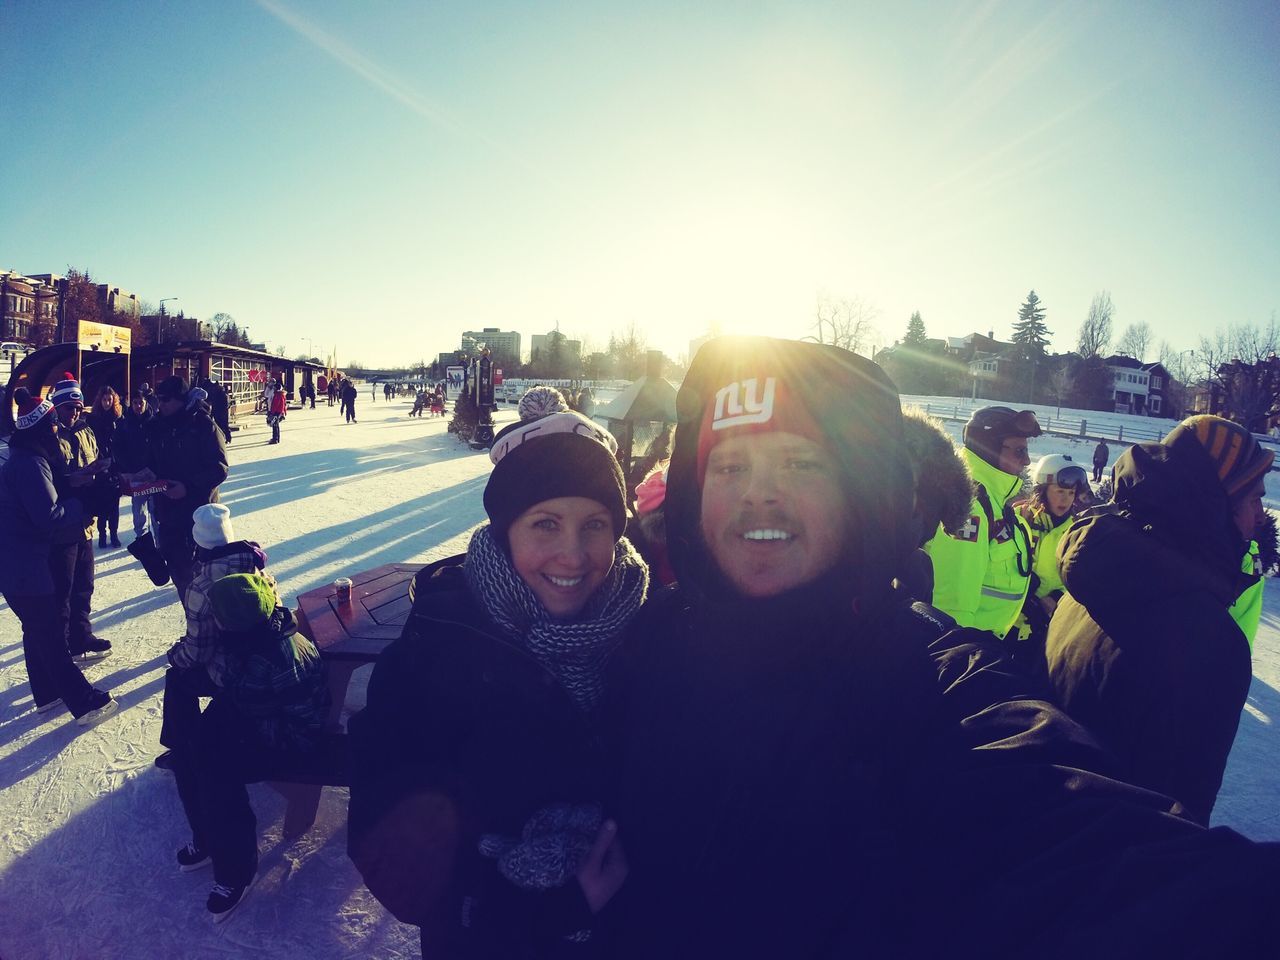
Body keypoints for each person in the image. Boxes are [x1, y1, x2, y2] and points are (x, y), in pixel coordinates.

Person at [609, 336, 1280, 958]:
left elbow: (1089, 847)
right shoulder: (638, 645)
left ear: (862, 495)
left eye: (799, 461)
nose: (758, 490)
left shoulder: (931, 685)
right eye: (728, 465)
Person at [348, 401, 648, 958]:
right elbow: (393, 859)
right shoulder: (435, 647)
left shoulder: (653, 636)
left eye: (595, 525)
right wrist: (548, 910)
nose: (574, 554)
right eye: (546, 524)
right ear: (506, 531)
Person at [1046, 415, 1272, 825]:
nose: (1260, 515)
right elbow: (1176, 815)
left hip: (1050, 828)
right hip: (1111, 865)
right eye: (1253, 498)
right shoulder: (1207, 643)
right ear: (1213, 502)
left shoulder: (1091, 581)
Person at [169, 572, 327, 921]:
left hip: (289, 739)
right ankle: (209, 836)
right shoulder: (259, 634)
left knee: (214, 771)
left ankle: (238, 870)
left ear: (232, 624)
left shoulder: (273, 657)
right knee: (190, 751)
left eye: (217, 618)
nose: (213, 622)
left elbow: (244, 695)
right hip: (263, 714)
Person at [0, 389, 118, 725]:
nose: (56, 429)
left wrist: (76, 482)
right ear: (41, 427)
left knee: (37, 631)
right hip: (24, 566)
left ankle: (46, 694)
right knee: (50, 635)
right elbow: (48, 516)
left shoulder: (26, 456)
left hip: (18, 564)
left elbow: (47, 491)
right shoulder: (30, 463)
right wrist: (84, 504)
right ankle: (84, 703)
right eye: (52, 423)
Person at [156, 503, 271, 769]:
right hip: (267, 664)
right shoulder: (257, 569)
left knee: (178, 677)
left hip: (232, 671)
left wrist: (175, 654)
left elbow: (198, 652)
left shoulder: (202, 586)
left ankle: (183, 751)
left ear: (198, 544)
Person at [923, 405, 1041, 640]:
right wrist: (962, 657)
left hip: (993, 644)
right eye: (1019, 451)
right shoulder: (972, 507)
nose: (1027, 461)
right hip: (969, 650)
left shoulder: (996, 503)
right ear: (988, 449)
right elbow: (953, 603)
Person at [146, 375, 230, 607]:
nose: (160, 404)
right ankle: (196, 628)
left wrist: (188, 487)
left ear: (182, 400)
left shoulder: (203, 426)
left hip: (200, 515)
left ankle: (214, 632)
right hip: (168, 515)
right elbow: (151, 460)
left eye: (166, 399)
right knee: (181, 577)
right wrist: (145, 475)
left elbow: (219, 469)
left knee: (207, 581)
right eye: (158, 399)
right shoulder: (157, 427)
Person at [49, 374, 112, 662]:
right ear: (57, 407)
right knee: (63, 590)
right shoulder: (49, 435)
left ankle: (81, 636)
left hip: (86, 522)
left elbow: (94, 459)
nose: (73, 412)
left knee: (84, 584)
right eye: (67, 407)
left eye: (77, 407)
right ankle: (60, 647)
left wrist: (100, 473)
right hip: (62, 525)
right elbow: (47, 478)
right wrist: (71, 480)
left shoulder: (87, 431)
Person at [1011, 454, 1091, 675]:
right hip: (1007, 621)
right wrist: (1028, 596)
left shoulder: (1075, 531)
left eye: (1071, 493)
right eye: (1059, 492)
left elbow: (1079, 577)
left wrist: (1058, 598)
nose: (1065, 500)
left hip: (1046, 627)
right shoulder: (1019, 518)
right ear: (1043, 489)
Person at [114, 388, 156, 543]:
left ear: (146, 403)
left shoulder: (154, 422)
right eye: (135, 403)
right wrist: (127, 469)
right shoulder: (125, 424)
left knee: (155, 510)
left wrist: (155, 467)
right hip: (135, 473)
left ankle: (159, 541)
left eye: (141, 403)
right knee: (139, 510)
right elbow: (118, 448)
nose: (139, 406)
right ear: (131, 404)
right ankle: (142, 538)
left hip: (153, 474)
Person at [87, 385, 124, 548]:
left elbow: (123, 444)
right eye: (104, 399)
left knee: (114, 505)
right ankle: (102, 534)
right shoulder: (93, 419)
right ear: (99, 400)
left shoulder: (118, 418)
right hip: (99, 464)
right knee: (101, 504)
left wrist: (116, 462)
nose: (107, 403)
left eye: (110, 399)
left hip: (114, 465)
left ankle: (114, 534)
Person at [201, 376, 232, 444]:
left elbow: (225, 401)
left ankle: (228, 438)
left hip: (222, 410)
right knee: (219, 424)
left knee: (223, 424)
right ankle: (223, 438)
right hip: (217, 409)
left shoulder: (219, 390)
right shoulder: (216, 389)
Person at [266, 379, 286, 444]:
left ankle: (275, 439)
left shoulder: (278, 395)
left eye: (274, 387)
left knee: (275, 425)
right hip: (277, 412)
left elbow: (276, 404)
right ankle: (276, 438)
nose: (273, 388)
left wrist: (272, 412)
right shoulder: (279, 394)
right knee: (275, 425)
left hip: (276, 412)